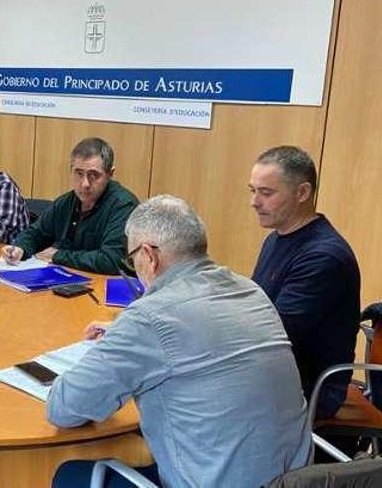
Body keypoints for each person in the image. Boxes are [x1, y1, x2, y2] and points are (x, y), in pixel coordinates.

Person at [48, 195, 312, 488]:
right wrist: (125, 336)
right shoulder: (252, 293)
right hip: (297, 479)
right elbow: (202, 340)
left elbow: (64, 408)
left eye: (132, 260)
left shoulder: (149, 317)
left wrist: (128, 338)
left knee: (68, 474)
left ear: (149, 255)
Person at [249, 145, 360, 420]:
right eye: (252, 190)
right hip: (272, 372)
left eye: (266, 193)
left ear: (302, 193)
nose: (254, 201)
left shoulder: (323, 257)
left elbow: (274, 334)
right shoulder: (277, 237)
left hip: (307, 388)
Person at [1, 137, 138, 273]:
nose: (85, 184)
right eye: (79, 173)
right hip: (67, 279)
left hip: (106, 286)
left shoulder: (123, 206)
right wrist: (20, 248)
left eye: (94, 175)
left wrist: (58, 256)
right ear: (71, 170)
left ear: (110, 174)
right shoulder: (67, 201)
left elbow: (112, 260)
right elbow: (36, 233)